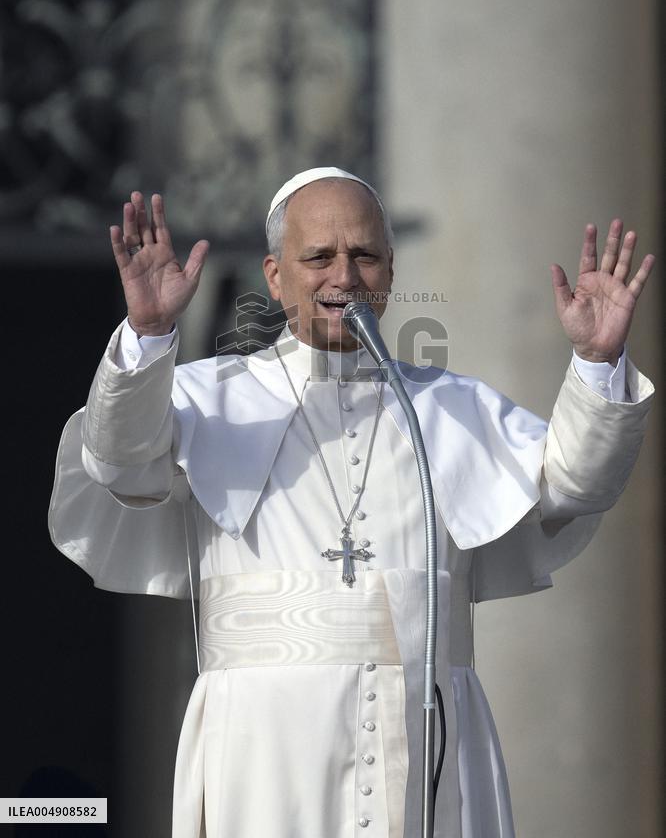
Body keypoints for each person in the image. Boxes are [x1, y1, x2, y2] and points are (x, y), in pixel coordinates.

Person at [49, 167, 655, 838]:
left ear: (391, 271)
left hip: (430, 743)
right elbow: (121, 462)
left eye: (365, 255)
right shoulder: (206, 399)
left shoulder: (453, 408)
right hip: (265, 754)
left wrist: (599, 363)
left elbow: (576, 486)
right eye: (320, 257)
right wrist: (149, 335)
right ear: (276, 277)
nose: (346, 275)